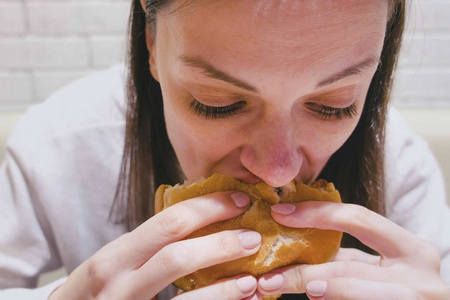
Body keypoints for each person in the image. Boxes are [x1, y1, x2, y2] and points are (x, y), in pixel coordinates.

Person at [1, 0, 449, 299]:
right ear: (152, 43)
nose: (276, 172)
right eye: (220, 104)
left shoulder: (399, 164)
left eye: (333, 105)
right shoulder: (60, 145)